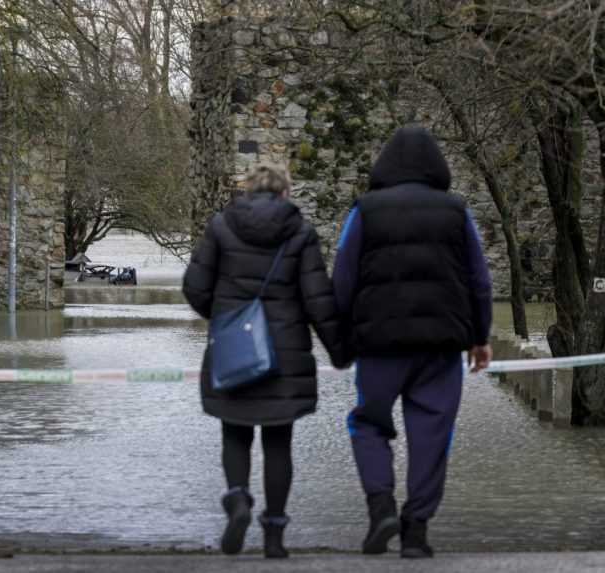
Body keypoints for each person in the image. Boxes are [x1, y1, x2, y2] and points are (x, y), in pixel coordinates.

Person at [332, 126, 493, 559]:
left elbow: (343, 279)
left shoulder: (364, 211)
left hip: (379, 345)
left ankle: (381, 507)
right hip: (440, 347)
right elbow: (479, 280)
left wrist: (340, 342)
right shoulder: (456, 212)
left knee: (368, 424)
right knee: (431, 434)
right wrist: (480, 339)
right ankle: (416, 531)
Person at [183, 164, 343, 559]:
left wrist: (223, 316)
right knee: (278, 443)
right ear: (285, 194)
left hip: (234, 350)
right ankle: (274, 537)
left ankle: (237, 500)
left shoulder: (221, 226)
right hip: (284, 353)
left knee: (235, 433)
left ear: (248, 191)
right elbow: (317, 299)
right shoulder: (300, 233)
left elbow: (194, 287)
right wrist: (341, 351)